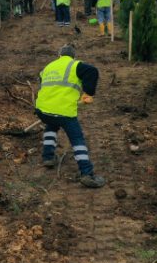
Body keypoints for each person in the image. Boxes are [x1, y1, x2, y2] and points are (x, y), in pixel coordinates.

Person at [35, 45, 105, 188]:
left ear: (59, 55)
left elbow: (42, 81)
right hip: (64, 112)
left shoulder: (49, 66)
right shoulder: (75, 65)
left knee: (51, 125)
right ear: (74, 56)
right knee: (77, 139)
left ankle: (48, 157)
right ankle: (86, 172)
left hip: (42, 110)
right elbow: (92, 71)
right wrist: (89, 93)